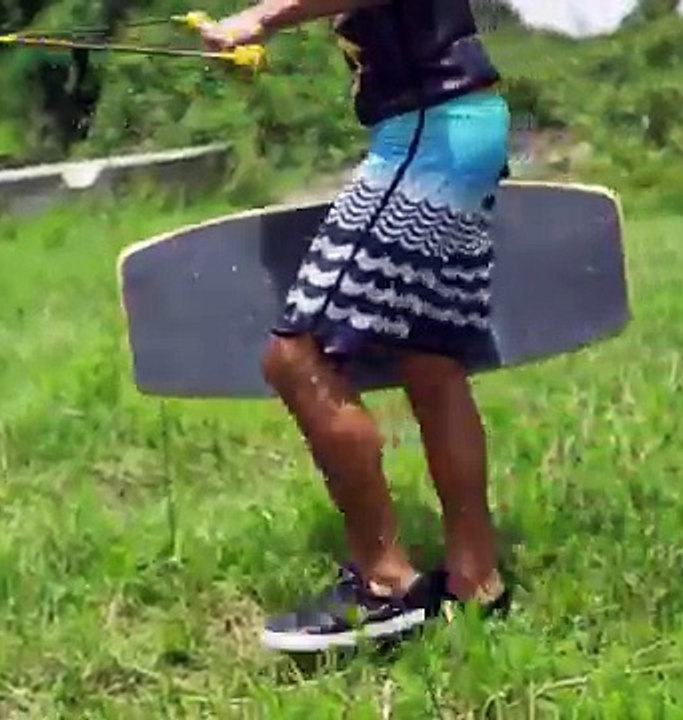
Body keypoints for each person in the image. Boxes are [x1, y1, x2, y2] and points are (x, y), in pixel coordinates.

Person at [196, 0, 513, 653]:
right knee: (430, 359)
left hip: (430, 134)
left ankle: (385, 584)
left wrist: (259, 19)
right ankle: (476, 580)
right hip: (462, 124)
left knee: (296, 357)